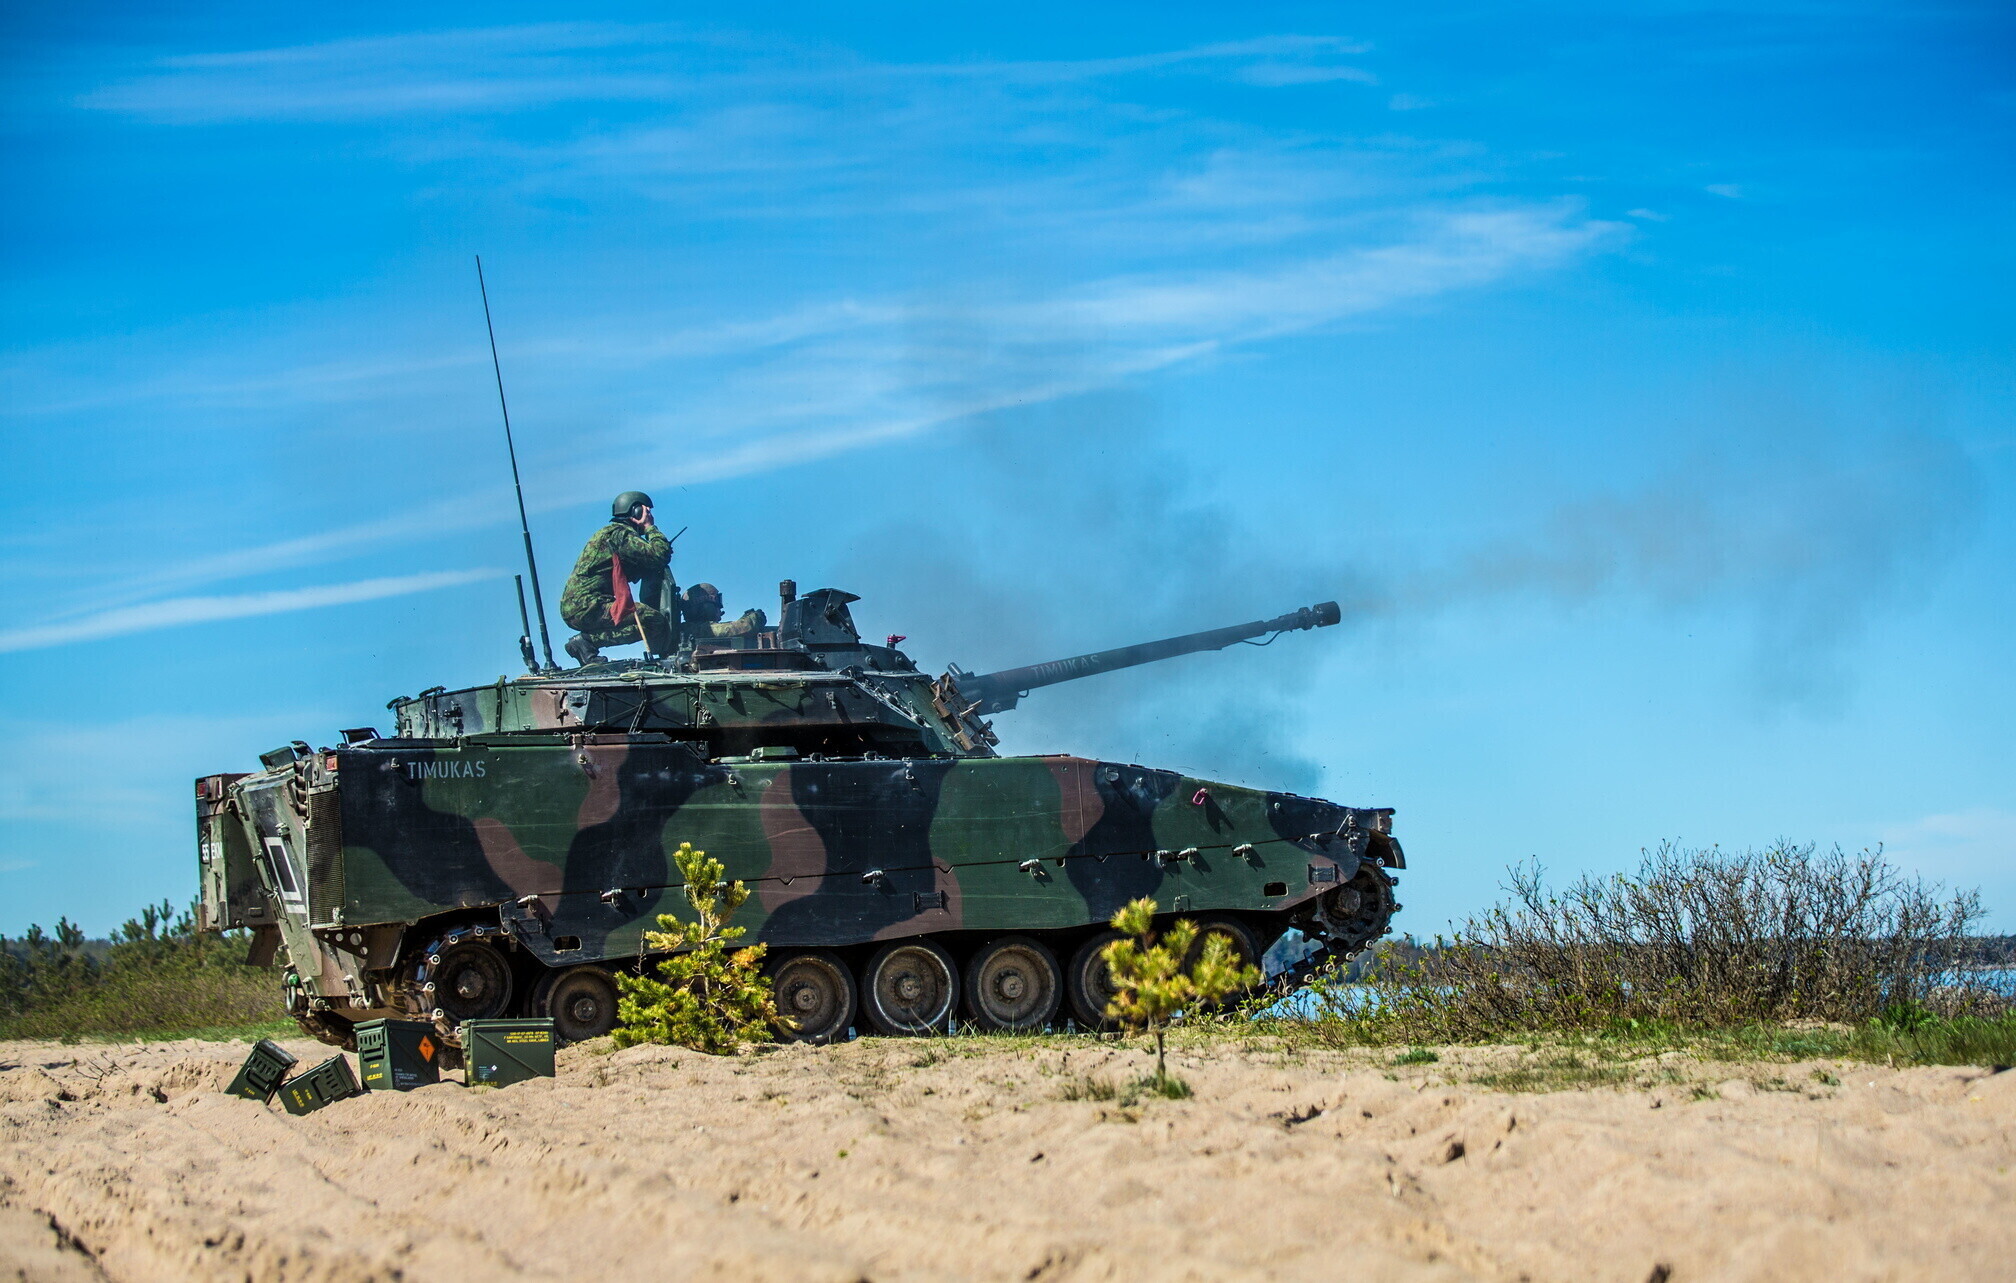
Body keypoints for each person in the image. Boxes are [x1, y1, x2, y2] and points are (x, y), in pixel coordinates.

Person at [560, 491, 677, 663]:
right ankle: (587, 642)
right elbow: (659, 554)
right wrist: (650, 527)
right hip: (589, 606)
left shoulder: (611, 534)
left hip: (581, 606)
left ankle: (586, 642)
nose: (649, 515)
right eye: (646, 511)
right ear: (636, 511)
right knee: (653, 620)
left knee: (648, 618)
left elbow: (635, 567)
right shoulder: (619, 534)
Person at [682, 583, 767, 639]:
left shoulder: (693, 628)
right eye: (717, 604)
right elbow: (737, 628)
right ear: (707, 607)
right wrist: (755, 618)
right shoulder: (698, 629)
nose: (720, 610)